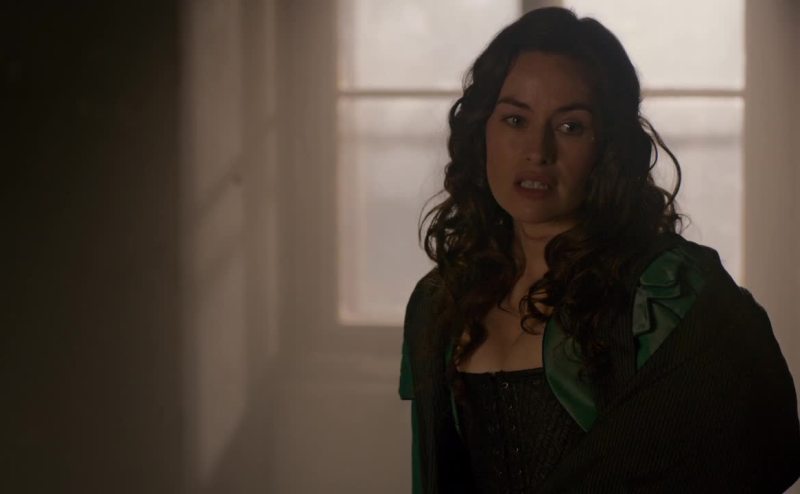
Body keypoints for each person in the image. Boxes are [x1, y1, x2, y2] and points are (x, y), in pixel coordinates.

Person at [398, 7, 800, 494]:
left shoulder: (668, 294)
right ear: (482, 131)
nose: (537, 151)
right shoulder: (441, 301)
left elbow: (763, 446)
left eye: (571, 127)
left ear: (607, 145)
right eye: (515, 120)